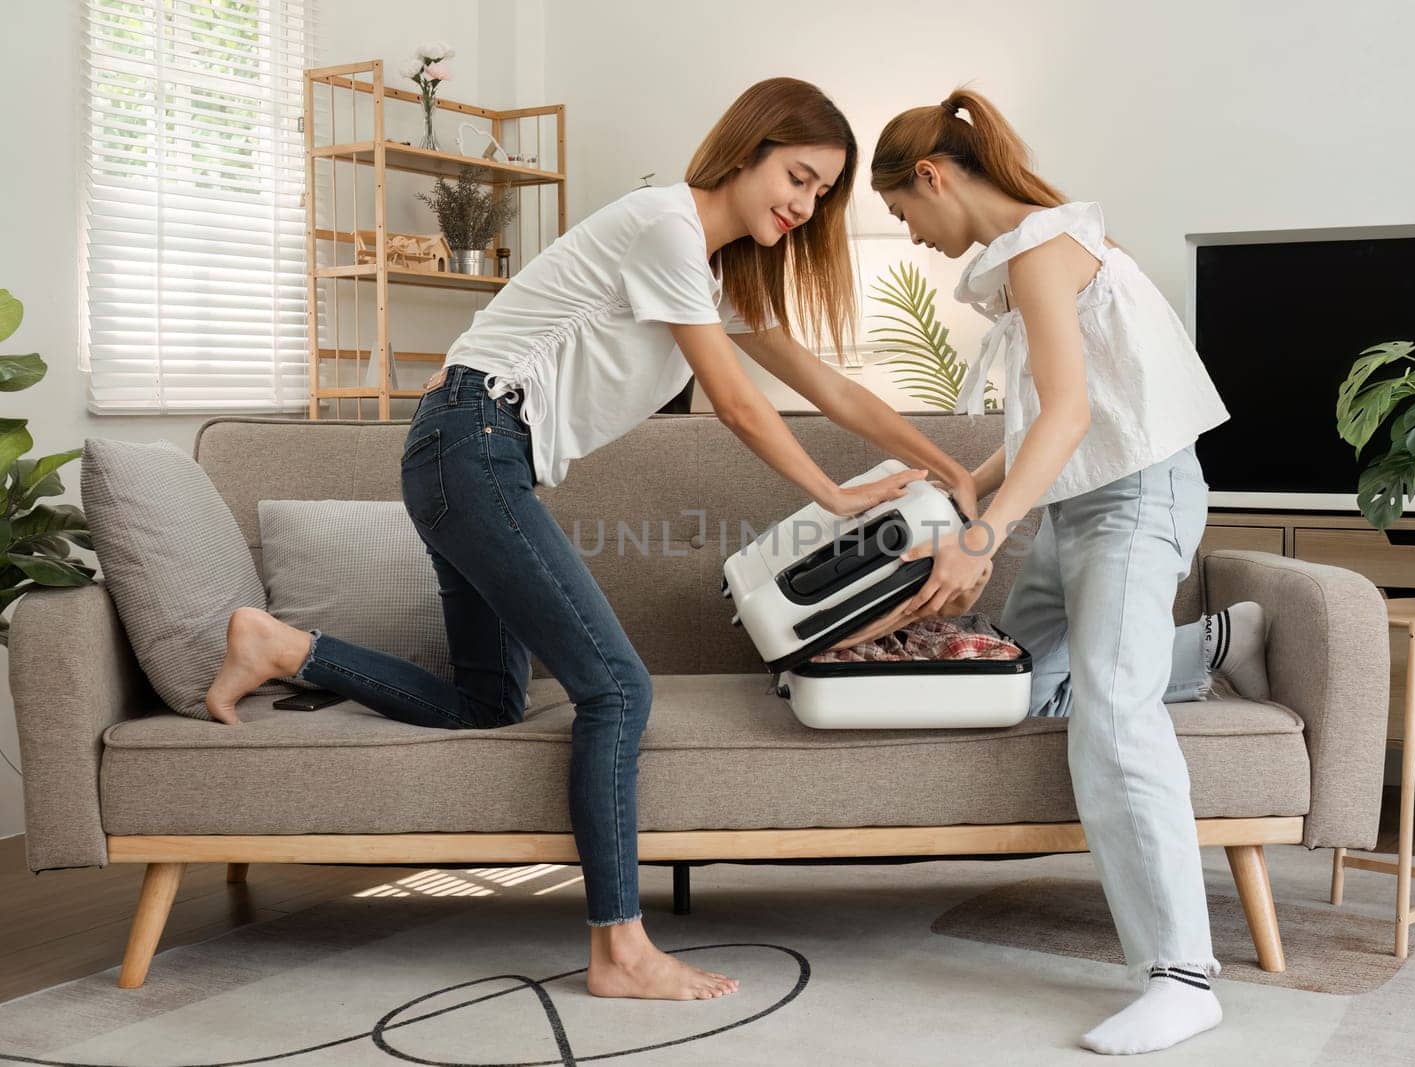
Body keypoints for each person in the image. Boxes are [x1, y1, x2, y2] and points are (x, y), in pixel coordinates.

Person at [203, 77, 990, 1003]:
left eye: (822, 193)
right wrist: (830, 490)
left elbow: (834, 390)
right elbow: (738, 404)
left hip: (471, 455)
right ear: (748, 149)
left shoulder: (712, 271)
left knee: (490, 704)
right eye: (798, 175)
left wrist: (958, 469)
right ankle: (619, 946)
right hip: (474, 442)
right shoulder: (665, 226)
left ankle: (285, 646)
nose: (805, 203)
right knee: (618, 688)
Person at [863, 86, 1245, 1055]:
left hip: (1136, 498)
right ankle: (1206, 651)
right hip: (1082, 499)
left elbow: (1072, 415)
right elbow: (1054, 422)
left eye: (904, 213)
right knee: (1018, 688)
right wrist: (961, 493)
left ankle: (1181, 972)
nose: (911, 238)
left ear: (935, 177)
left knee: (1113, 716)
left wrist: (985, 535)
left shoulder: (1045, 248)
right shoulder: (1031, 258)